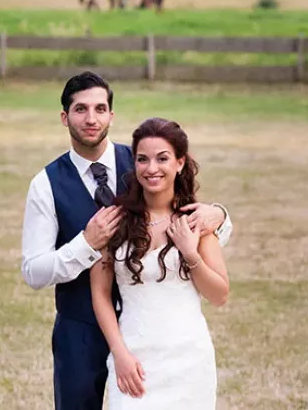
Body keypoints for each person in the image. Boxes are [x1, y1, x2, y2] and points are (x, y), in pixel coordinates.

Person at [20, 72, 233, 410]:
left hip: (160, 333)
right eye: (80, 109)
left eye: (100, 109)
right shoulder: (45, 185)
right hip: (83, 325)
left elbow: (186, 214)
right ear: (65, 117)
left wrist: (220, 215)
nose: (91, 118)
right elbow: (33, 272)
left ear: (111, 115)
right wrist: (85, 244)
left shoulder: (141, 162)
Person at [90, 117, 229, 409]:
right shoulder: (116, 221)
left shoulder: (196, 222)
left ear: (180, 163)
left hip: (188, 361)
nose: (151, 168)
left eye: (162, 158)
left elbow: (219, 295)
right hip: (133, 358)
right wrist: (119, 353)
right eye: (142, 159)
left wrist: (191, 255)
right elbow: (101, 294)